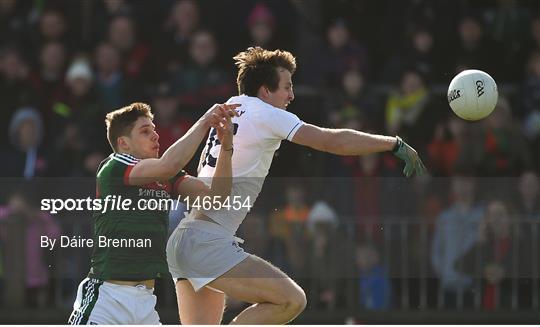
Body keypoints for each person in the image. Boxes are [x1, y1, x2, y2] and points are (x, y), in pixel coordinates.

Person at [166, 47, 426, 324]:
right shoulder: (266, 113)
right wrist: (392, 143)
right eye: (287, 87)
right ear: (265, 91)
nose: (291, 95)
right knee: (292, 300)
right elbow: (331, 141)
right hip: (207, 242)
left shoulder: (229, 106)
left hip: (183, 238)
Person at [68, 101, 238, 324]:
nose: (155, 136)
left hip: (145, 301)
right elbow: (168, 165)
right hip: (107, 298)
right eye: (145, 131)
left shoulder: (166, 174)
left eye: (155, 129)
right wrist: (206, 120)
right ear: (123, 143)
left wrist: (226, 148)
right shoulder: (115, 166)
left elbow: (217, 198)